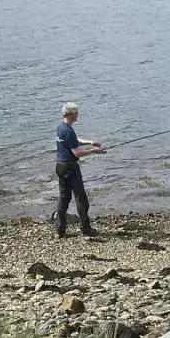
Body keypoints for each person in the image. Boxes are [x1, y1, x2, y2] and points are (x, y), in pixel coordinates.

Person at [53, 102, 107, 238]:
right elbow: (76, 153)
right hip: (70, 167)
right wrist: (94, 151)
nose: (78, 115)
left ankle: (60, 230)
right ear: (70, 114)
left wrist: (90, 142)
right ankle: (85, 228)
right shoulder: (68, 130)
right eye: (76, 112)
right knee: (81, 198)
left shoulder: (61, 127)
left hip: (60, 166)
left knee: (64, 198)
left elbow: (73, 140)